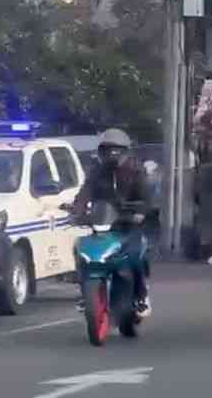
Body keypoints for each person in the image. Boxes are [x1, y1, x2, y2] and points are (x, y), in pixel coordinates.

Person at [72, 128, 152, 317]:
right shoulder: (97, 172)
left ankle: (141, 296)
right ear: (101, 152)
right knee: (82, 251)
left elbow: (146, 197)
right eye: (107, 150)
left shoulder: (136, 171)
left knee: (135, 256)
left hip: (128, 224)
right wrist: (77, 210)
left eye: (116, 150)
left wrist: (140, 212)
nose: (112, 154)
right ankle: (86, 294)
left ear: (125, 151)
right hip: (103, 223)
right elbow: (85, 192)